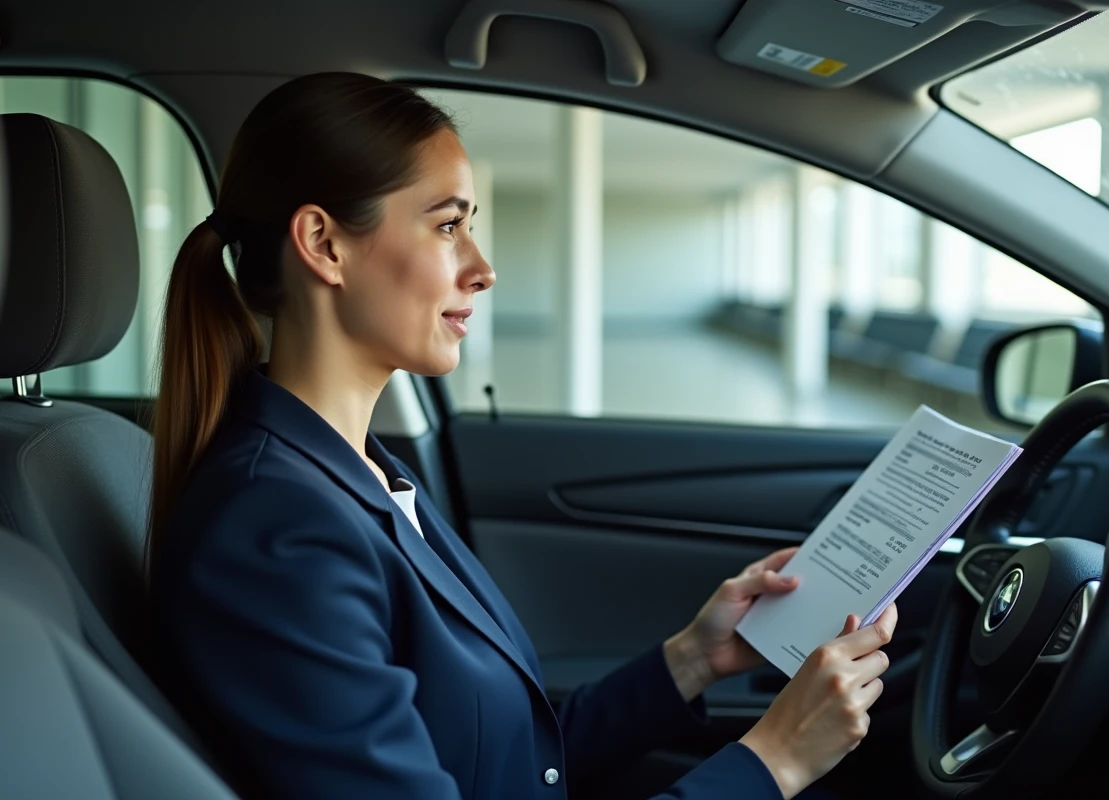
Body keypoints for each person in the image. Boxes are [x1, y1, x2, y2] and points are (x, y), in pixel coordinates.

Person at [147, 72, 897, 800]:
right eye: (448, 226)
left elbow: (503, 761)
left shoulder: (362, 474)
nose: (483, 269)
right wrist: (774, 763)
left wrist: (693, 659)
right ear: (323, 243)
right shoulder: (278, 530)